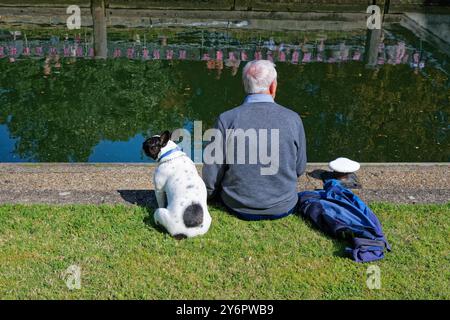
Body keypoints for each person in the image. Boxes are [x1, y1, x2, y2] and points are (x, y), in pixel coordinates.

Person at [202, 60, 307, 220]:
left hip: (237, 204)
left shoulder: (226, 119)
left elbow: (211, 174)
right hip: (283, 205)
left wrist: (208, 196)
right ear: (273, 86)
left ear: (245, 85)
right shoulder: (293, 119)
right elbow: (299, 168)